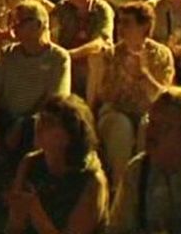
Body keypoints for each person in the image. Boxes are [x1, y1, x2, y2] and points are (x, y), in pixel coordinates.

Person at [0, 1, 71, 161]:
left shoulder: (59, 58)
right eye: (13, 22)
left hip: (36, 120)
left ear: (38, 25)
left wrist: (23, 124)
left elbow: (55, 99)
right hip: (7, 117)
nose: (14, 27)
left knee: (39, 127)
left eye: (20, 22)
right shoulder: (7, 54)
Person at [98, 2, 174, 189]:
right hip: (116, 111)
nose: (121, 28)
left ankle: (144, 186)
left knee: (147, 126)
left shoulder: (161, 55)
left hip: (149, 111)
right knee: (120, 128)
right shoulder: (112, 54)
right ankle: (120, 188)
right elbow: (105, 94)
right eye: (119, 23)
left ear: (144, 27)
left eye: (127, 23)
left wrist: (143, 75)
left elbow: (164, 97)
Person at [7, 94, 109, 234]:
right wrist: (18, 214)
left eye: (49, 123)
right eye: (39, 119)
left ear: (70, 135)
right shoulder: (29, 163)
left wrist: (35, 211)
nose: (40, 127)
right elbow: (14, 227)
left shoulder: (91, 181)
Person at [110, 87, 181, 233]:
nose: (152, 132)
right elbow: (118, 229)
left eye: (164, 127)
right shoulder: (138, 172)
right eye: (151, 123)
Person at [51, 0, 114, 98]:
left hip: (88, 64)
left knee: (96, 58)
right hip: (66, 60)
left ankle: (90, 108)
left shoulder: (102, 10)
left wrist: (70, 54)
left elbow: (100, 42)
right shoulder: (63, 7)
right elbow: (52, 31)